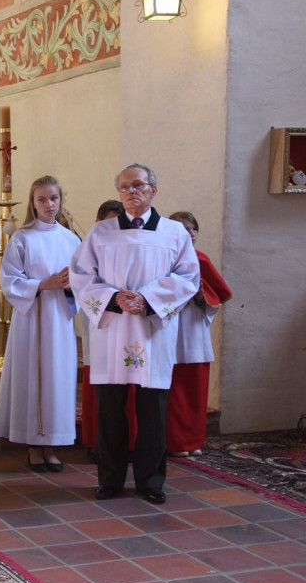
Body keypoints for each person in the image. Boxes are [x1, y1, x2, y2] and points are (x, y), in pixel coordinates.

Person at [70, 164, 199, 505]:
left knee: (153, 412)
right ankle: (110, 479)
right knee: (110, 410)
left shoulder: (173, 233)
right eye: (125, 187)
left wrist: (148, 299)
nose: (131, 192)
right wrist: (114, 297)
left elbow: (188, 277)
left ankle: (151, 480)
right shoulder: (101, 233)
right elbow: (80, 276)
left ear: (153, 190)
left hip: (152, 332)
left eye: (139, 185)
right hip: (112, 331)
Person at [0, 176, 81, 472]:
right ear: (32, 203)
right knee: (32, 377)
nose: (48, 204)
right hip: (31, 317)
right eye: (41, 199)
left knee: (57, 378)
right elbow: (10, 279)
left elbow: (85, 279)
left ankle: (51, 445)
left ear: (61, 200)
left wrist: (70, 285)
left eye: (53, 198)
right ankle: (33, 445)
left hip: (59, 318)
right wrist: (45, 284)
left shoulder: (72, 240)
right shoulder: (23, 237)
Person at [166, 211, 232, 458]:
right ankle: (174, 441)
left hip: (194, 329)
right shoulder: (162, 258)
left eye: (194, 229)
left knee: (195, 390)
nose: (191, 234)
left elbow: (218, 298)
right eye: (184, 228)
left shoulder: (200, 259)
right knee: (174, 391)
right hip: (170, 328)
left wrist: (202, 297)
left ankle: (193, 440)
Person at [78, 200, 136, 461]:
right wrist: (113, 298)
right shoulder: (89, 246)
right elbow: (82, 282)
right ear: (98, 222)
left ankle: (129, 446)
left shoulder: (132, 246)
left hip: (132, 329)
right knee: (103, 391)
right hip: (101, 324)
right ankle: (96, 443)